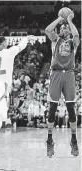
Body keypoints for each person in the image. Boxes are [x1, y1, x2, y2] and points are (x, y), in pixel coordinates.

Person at [45, 10, 79, 157]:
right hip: (56, 74)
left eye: (66, 28)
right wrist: (60, 19)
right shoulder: (55, 40)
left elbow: (76, 35)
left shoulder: (73, 42)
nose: (63, 29)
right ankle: (49, 140)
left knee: (71, 109)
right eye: (62, 28)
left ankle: (74, 140)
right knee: (52, 108)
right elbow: (47, 29)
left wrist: (69, 21)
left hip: (69, 74)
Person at [0, 35, 32, 136]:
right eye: (6, 42)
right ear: (3, 43)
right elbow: (21, 46)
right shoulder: (9, 52)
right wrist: (27, 38)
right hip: (1, 86)